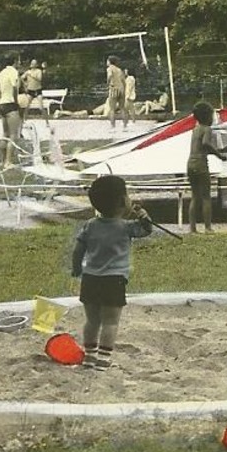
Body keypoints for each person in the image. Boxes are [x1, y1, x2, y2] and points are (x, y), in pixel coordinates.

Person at [68, 174, 153, 370]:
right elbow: (146, 230)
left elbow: (78, 249)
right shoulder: (125, 228)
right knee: (110, 322)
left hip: (90, 279)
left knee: (92, 320)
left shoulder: (90, 225)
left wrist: (76, 267)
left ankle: (89, 355)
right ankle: (104, 358)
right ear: (123, 201)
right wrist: (144, 217)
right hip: (114, 281)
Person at [186, 101, 227, 233]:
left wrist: (220, 150)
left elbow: (201, 148)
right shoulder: (207, 129)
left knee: (195, 196)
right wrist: (220, 156)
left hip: (191, 163)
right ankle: (208, 227)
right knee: (206, 197)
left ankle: (192, 228)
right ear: (207, 117)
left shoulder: (195, 129)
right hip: (201, 164)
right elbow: (206, 144)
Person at [0, 54, 23, 165]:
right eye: (18, 60)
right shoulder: (13, 72)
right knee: (13, 135)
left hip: (2, 104)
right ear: (15, 61)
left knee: (5, 134)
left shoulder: (3, 72)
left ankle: (3, 160)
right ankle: (8, 162)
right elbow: (14, 87)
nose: (20, 63)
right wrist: (16, 101)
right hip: (10, 104)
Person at [105, 54, 131, 129]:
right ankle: (125, 126)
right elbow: (123, 81)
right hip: (121, 89)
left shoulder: (110, 68)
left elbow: (109, 76)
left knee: (112, 109)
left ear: (110, 61)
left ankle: (113, 126)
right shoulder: (119, 69)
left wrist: (108, 82)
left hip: (114, 89)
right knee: (122, 108)